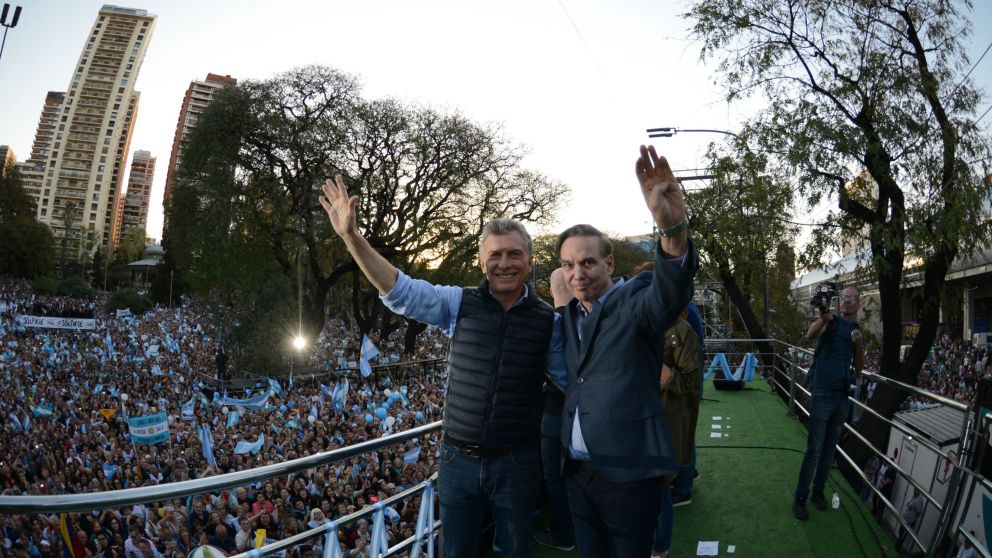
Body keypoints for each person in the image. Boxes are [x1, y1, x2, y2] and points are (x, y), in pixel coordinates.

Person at [319, 175, 558, 558]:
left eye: (514, 254)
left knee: (516, 550)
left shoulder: (549, 320)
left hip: (517, 463)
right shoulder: (458, 302)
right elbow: (401, 292)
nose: (504, 263)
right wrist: (352, 238)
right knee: (457, 550)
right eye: (495, 255)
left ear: (529, 261)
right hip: (458, 461)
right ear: (482, 262)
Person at [557, 145, 697, 557]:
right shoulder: (571, 316)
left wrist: (672, 231)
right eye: (568, 265)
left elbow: (669, 293)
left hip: (628, 475)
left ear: (609, 263)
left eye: (587, 263)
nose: (577, 273)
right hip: (577, 473)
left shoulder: (634, 300)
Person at [793, 287, 866, 519]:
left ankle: (818, 491)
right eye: (844, 298)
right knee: (814, 448)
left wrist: (858, 345)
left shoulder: (856, 330)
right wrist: (823, 317)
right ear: (839, 302)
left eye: (852, 299)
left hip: (841, 396)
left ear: (858, 304)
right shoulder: (830, 321)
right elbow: (809, 334)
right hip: (823, 392)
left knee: (828, 449)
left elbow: (861, 367)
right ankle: (800, 498)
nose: (847, 302)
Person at [653, 308, 703, 558]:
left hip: (665, 419)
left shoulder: (681, 330)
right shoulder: (631, 322)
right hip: (636, 419)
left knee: (659, 486)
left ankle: (659, 550)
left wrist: (663, 371)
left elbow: (691, 385)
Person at [534, 268, 576, 552]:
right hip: (585, 412)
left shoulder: (550, 323)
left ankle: (562, 534)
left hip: (556, 412)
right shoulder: (588, 319)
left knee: (555, 476)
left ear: (552, 290)